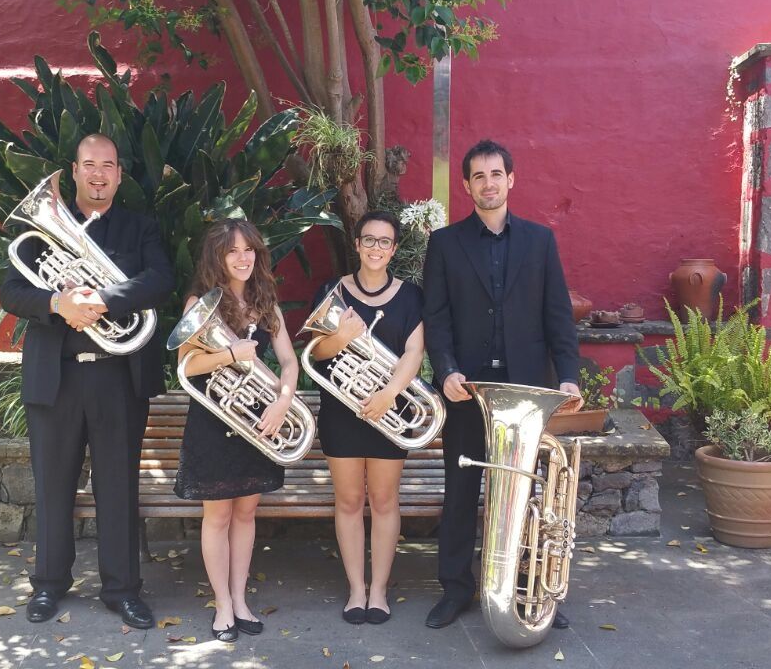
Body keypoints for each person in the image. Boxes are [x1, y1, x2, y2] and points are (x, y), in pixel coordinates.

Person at [0, 133, 174, 627]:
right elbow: (10, 292)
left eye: (109, 165)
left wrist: (103, 301)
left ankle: (122, 590)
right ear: (73, 171)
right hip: (55, 379)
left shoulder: (140, 229)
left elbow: (160, 279)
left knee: (118, 487)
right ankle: (49, 586)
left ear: (120, 175)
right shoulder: (39, 236)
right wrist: (58, 304)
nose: (99, 173)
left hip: (118, 380)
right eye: (89, 164)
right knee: (54, 485)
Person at [421, 139, 582, 630]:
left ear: (511, 179)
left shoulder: (540, 240)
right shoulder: (445, 243)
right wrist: (445, 368)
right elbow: (437, 317)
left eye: (496, 174)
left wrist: (570, 377)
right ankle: (456, 589)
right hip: (467, 391)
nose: (488, 183)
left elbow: (558, 315)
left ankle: (530, 592)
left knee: (528, 496)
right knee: (461, 491)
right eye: (478, 176)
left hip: (526, 394)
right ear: (467, 185)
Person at [172, 219, 300, 643]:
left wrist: (283, 400)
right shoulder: (200, 304)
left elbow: (289, 363)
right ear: (217, 257)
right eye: (232, 251)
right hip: (214, 422)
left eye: (249, 250)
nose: (243, 258)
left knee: (246, 513)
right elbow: (186, 367)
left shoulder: (267, 303)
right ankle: (222, 604)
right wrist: (230, 353)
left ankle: (241, 599)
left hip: (258, 422)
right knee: (218, 516)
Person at [307, 210, 426, 626]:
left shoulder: (411, 296)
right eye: (369, 240)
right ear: (357, 245)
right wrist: (341, 337)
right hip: (342, 411)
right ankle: (356, 589)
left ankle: (379, 591)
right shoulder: (333, 291)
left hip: (389, 411)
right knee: (349, 501)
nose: (376, 248)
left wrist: (390, 393)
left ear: (394, 249)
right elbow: (316, 355)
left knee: (384, 500)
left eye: (384, 242)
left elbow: (414, 353)